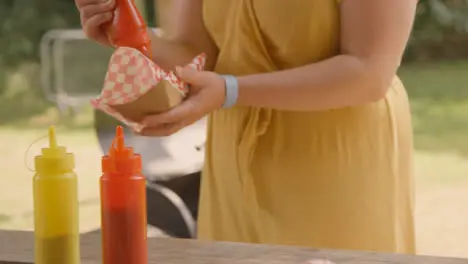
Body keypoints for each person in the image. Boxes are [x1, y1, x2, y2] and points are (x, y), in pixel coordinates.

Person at [76, 0, 418, 253]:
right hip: (234, 164)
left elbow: (369, 71)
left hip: (333, 162)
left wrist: (231, 90)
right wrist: (132, 35)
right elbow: (197, 51)